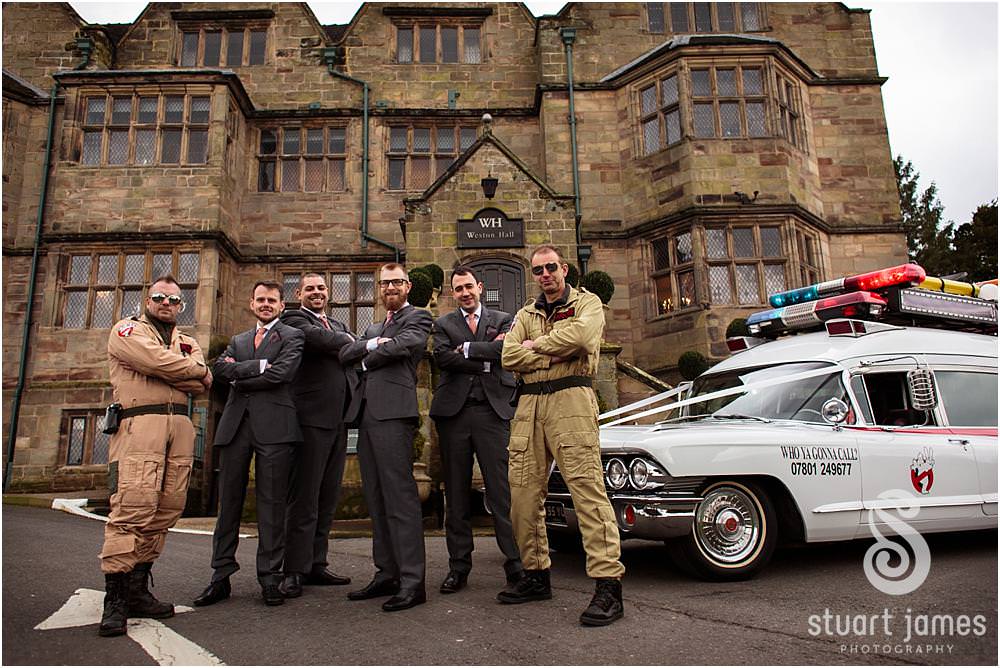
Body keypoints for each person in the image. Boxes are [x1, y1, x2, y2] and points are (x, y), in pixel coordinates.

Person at [499, 244, 625, 626]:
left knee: (587, 493)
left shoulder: (588, 303)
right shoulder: (525, 313)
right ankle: (536, 576)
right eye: (538, 270)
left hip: (571, 399)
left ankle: (608, 586)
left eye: (551, 267)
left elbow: (585, 339)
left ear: (564, 269)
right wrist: (554, 351)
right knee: (522, 496)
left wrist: (534, 346)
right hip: (529, 406)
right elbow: (507, 356)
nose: (545, 275)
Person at [99, 275, 212, 637]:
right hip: (139, 423)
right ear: (148, 300)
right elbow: (158, 363)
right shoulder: (126, 331)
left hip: (178, 426)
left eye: (173, 299)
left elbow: (200, 382)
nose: (166, 303)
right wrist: (187, 370)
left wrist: (187, 371)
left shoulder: (187, 341)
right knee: (133, 505)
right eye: (159, 297)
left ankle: (137, 589)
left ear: (182, 305)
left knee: (166, 507)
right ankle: (114, 599)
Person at [194, 281, 304, 607]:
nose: (266, 304)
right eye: (260, 299)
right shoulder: (239, 340)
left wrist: (240, 375)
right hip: (235, 427)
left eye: (272, 300)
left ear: (282, 305)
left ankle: (270, 578)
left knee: (271, 507)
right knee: (227, 505)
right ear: (251, 303)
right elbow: (219, 370)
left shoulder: (293, 336)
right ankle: (220, 576)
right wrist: (256, 366)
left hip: (275, 428)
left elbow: (282, 374)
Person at [338, 263, 433, 612]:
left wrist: (365, 355)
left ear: (407, 286)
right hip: (367, 417)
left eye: (396, 282)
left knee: (401, 498)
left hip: (394, 414)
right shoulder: (375, 326)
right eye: (384, 283)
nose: (389, 287)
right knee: (376, 499)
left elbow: (405, 346)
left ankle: (412, 581)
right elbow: (344, 354)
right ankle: (386, 573)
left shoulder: (419, 318)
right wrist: (375, 343)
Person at [429, 266, 523, 594]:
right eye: (458, 289)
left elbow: (506, 351)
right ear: (452, 293)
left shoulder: (503, 319)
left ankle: (515, 564)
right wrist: (486, 357)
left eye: (469, 286)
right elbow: (443, 359)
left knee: (501, 493)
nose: (465, 293)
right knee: (455, 495)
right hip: (453, 416)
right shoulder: (442, 324)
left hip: (492, 413)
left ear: (479, 287)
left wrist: (468, 351)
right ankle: (458, 567)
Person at [277, 272, 355, 597]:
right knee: (305, 497)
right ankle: (293, 569)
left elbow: (344, 348)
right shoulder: (293, 318)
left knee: (327, 496)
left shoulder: (337, 324)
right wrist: (351, 342)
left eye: (321, 288)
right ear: (299, 293)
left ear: (329, 292)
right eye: (310, 289)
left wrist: (348, 341)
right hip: (310, 420)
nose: (317, 293)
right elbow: (319, 339)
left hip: (339, 421)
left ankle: (316, 564)